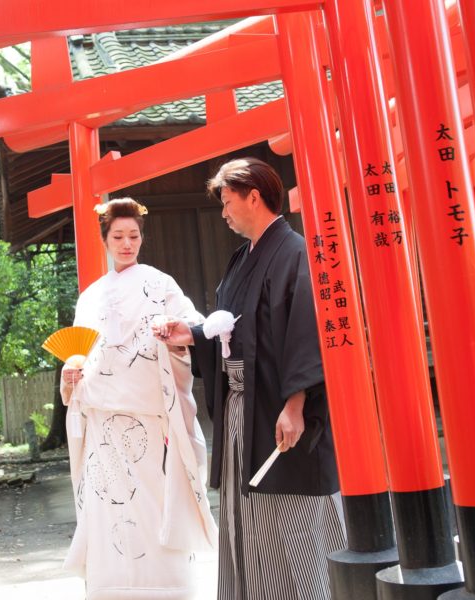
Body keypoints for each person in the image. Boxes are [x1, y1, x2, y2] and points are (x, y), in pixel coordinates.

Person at [153, 158, 346, 599]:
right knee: (248, 516)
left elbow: (305, 329)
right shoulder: (242, 259)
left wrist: (295, 403)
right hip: (242, 407)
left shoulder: (295, 252)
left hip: (280, 409)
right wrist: (192, 335)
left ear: (253, 197)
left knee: (291, 515)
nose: (223, 212)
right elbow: (231, 328)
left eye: (227, 201)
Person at [60, 197, 217, 600]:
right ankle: (110, 588)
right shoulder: (90, 297)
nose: (126, 244)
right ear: (105, 240)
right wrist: (71, 376)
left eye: (133, 236)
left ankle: (169, 589)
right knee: (107, 506)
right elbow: (81, 355)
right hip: (101, 423)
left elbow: (192, 327)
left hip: (149, 419)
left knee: (155, 505)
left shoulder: (160, 284)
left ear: (142, 238)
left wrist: (175, 334)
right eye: (118, 236)